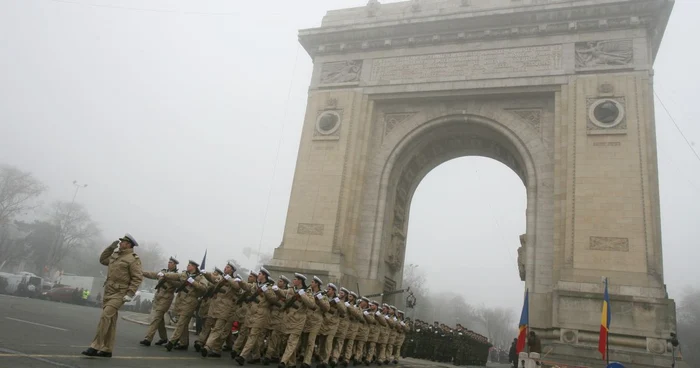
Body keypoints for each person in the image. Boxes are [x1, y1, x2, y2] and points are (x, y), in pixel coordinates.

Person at [81, 233, 143, 358]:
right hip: (108, 291)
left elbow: (137, 278)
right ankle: (107, 349)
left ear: (129, 244)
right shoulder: (115, 255)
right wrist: (110, 248)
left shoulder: (133, 259)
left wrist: (130, 293)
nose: (120, 243)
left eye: (123, 242)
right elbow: (103, 260)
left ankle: (95, 345)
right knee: (111, 320)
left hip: (120, 293)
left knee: (105, 316)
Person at [139, 257, 180, 346]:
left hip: (166, 298)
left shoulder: (177, 275)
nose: (169, 264)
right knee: (160, 319)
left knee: (156, 317)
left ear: (175, 265)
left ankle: (148, 338)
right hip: (158, 297)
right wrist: (142, 272)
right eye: (169, 262)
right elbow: (153, 274)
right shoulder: (163, 271)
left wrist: (168, 278)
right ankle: (164, 338)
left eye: (171, 263)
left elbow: (178, 284)